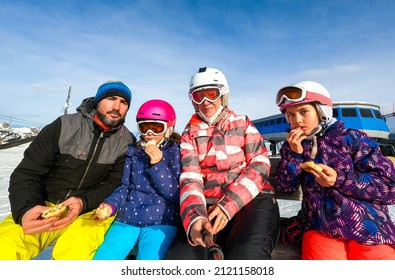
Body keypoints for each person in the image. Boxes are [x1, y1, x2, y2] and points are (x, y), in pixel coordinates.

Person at [0, 80, 136, 260]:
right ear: (98, 100)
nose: (117, 106)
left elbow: (114, 183)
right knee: (6, 246)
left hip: (89, 211)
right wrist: (25, 209)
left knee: (74, 254)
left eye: (124, 102)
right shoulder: (64, 126)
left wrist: (83, 202)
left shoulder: (126, 141)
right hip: (45, 205)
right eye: (111, 98)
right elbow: (28, 171)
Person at [166, 67, 280, 260]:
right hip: (208, 206)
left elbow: (259, 165)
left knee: (247, 256)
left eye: (211, 94)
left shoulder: (242, 123)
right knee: (181, 258)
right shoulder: (189, 134)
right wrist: (195, 217)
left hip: (252, 201)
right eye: (198, 96)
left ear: (223, 94)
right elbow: (190, 177)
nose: (205, 102)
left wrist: (228, 205)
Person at [275, 80, 395, 260]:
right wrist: (295, 155)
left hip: (368, 227)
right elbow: (285, 188)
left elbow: (389, 187)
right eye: (290, 115)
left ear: (321, 111)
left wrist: (340, 180)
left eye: (303, 112)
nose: (296, 120)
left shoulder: (352, 138)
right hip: (320, 227)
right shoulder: (291, 146)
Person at [92, 99, 181, 260]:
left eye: (157, 127)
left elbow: (175, 194)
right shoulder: (134, 152)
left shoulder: (175, 151)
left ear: (169, 129)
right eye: (144, 127)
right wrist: (111, 204)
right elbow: (124, 187)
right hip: (127, 218)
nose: (149, 133)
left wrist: (158, 165)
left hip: (161, 220)